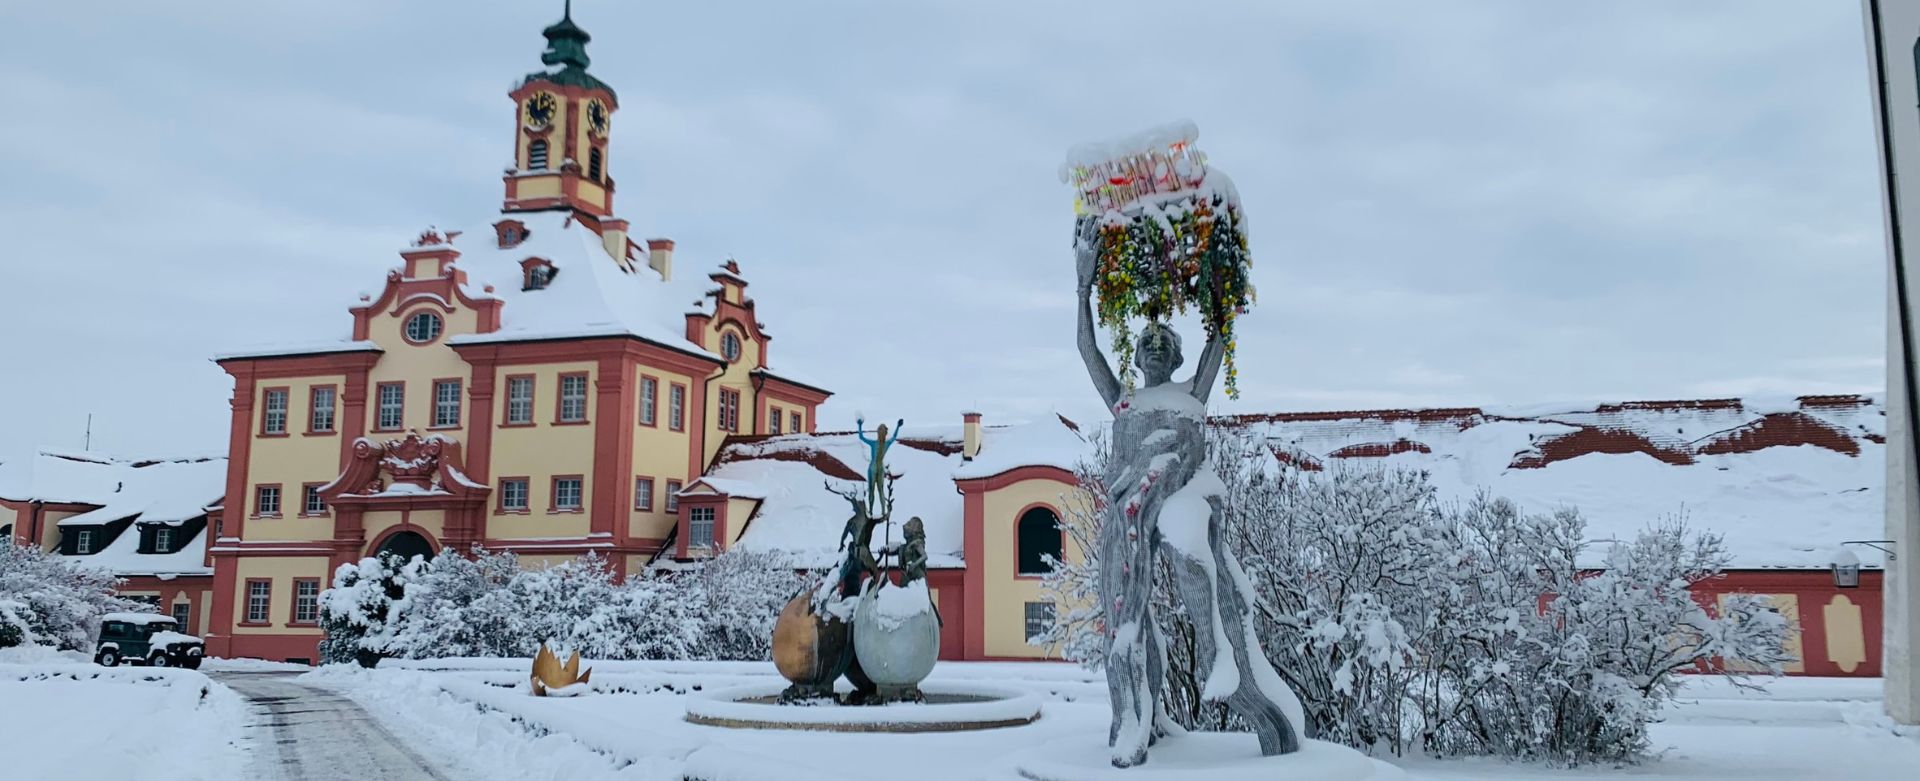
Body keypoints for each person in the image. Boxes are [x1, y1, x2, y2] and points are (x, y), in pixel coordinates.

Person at [1075, 215, 1303, 767]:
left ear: (1176, 358)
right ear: (1137, 357)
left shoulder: (1192, 397)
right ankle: (1132, 718)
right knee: (1124, 617)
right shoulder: (1124, 402)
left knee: (1211, 611)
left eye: (1164, 340)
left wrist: (1220, 282)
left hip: (1181, 511)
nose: (1154, 342)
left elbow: (1219, 338)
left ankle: (1258, 706)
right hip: (1127, 521)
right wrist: (1084, 285)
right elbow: (1088, 352)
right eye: (1147, 339)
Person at [855, 416, 903, 516]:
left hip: (874, 468)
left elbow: (861, 437)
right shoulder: (885, 443)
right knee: (878, 490)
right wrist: (898, 427)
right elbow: (894, 437)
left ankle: (876, 511)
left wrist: (860, 425)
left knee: (875, 490)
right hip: (878, 468)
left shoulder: (875, 443)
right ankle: (879, 511)